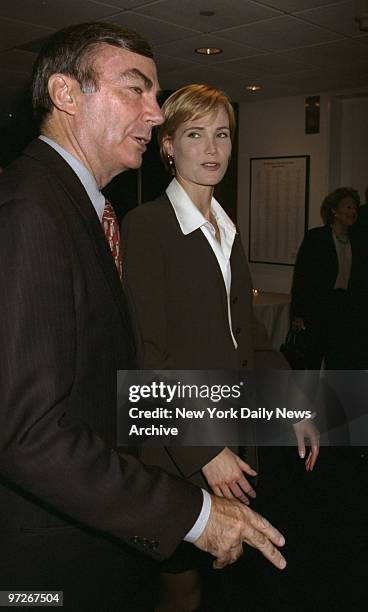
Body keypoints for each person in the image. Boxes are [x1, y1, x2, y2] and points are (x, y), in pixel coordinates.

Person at [0, 23, 288, 612]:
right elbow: (27, 432)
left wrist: (300, 407)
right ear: (65, 94)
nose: (156, 115)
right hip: (47, 561)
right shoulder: (34, 211)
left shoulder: (81, 207)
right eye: (137, 91)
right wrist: (194, 507)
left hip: (103, 513)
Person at [122, 84, 318, 610]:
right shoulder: (146, 228)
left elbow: (248, 339)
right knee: (178, 584)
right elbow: (147, 359)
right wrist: (204, 449)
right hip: (178, 449)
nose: (212, 148)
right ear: (168, 146)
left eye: (222, 134)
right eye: (195, 134)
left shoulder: (226, 230)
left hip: (232, 431)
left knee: (219, 577)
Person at [291, 186, 360, 370]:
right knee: (311, 359)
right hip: (318, 308)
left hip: (344, 309)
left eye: (355, 208)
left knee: (339, 360)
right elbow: (302, 276)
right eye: (348, 207)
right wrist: (298, 313)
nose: (353, 212)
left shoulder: (357, 240)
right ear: (334, 211)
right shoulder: (317, 238)